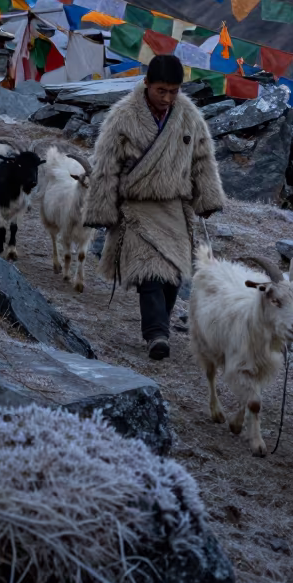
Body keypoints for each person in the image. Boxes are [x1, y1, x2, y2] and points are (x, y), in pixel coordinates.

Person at [82, 54, 225, 360]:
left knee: (173, 275)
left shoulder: (189, 117)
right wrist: (103, 210)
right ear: (146, 84)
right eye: (161, 90)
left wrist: (208, 197)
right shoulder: (123, 117)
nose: (167, 98)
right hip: (136, 208)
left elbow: (203, 159)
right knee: (150, 274)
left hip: (175, 208)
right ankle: (157, 335)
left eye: (174, 91)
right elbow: (106, 166)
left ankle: (161, 324)